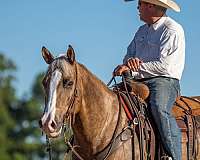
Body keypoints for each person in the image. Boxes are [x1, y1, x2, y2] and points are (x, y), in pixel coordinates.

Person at [114, 0, 185, 159]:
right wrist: (128, 63)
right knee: (111, 99)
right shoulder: (141, 31)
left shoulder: (172, 29)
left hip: (165, 81)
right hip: (138, 80)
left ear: (150, 6)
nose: (137, 7)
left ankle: (174, 156)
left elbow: (165, 66)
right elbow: (128, 55)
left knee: (159, 108)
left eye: (140, 4)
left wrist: (136, 67)